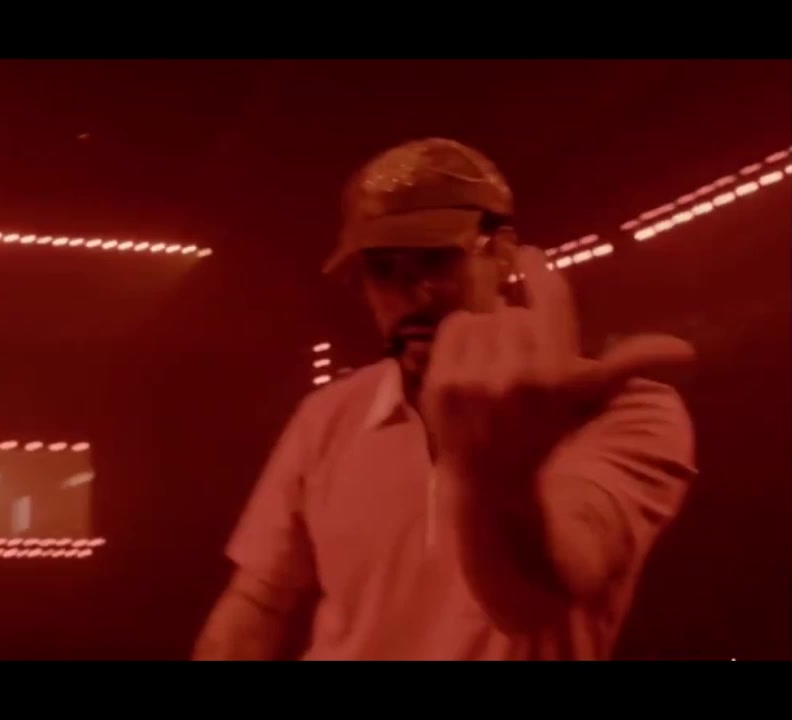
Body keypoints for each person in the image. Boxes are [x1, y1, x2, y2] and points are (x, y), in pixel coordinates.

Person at [193, 138, 697, 660]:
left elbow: (530, 603)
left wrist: (497, 475)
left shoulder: (628, 410)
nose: (414, 293)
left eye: (436, 259)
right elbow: (256, 603)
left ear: (501, 253)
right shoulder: (327, 416)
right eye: (382, 269)